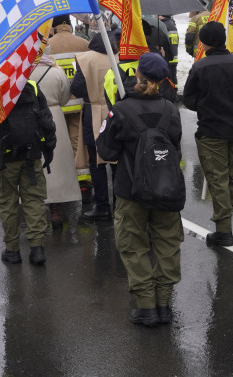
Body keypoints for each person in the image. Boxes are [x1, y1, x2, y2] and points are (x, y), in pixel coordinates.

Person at [97, 53, 184, 327]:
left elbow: (106, 150)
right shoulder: (170, 109)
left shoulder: (121, 110)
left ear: (138, 76)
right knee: (168, 243)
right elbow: (176, 147)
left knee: (133, 246)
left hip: (130, 190)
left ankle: (146, 306)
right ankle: (164, 304)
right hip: (166, 187)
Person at [182, 21, 233, 246]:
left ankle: (224, 230)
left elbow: (189, 100)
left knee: (218, 181)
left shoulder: (200, 67)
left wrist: (207, 104)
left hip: (211, 132)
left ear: (203, 43)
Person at [0, 76, 56, 265]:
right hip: (31, 153)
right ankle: (37, 250)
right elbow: (46, 120)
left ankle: (12, 252)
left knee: (7, 202)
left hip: (4, 157)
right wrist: (49, 147)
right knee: (34, 200)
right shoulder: (31, 86)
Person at [71, 32, 120, 221]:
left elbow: (76, 88)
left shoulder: (85, 59)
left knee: (96, 162)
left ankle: (101, 206)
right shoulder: (119, 58)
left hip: (93, 111)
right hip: (116, 112)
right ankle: (118, 204)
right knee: (117, 161)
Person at [29, 55, 81, 232]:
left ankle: (37, 211)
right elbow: (66, 98)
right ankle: (56, 211)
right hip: (54, 118)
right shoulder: (56, 70)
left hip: (31, 118)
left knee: (35, 165)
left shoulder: (24, 70)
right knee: (57, 166)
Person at [47, 14, 91, 211]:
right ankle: (84, 183)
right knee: (77, 142)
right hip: (79, 102)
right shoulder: (83, 43)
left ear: (54, 26)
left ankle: (60, 186)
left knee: (58, 146)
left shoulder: (48, 45)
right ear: (69, 24)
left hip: (56, 104)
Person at [158, 15, 179, 85]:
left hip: (167, 57)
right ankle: (174, 93)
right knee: (173, 78)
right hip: (174, 57)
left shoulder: (163, 25)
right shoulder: (172, 24)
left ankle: (170, 94)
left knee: (167, 80)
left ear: (161, 16)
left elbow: (163, 42)